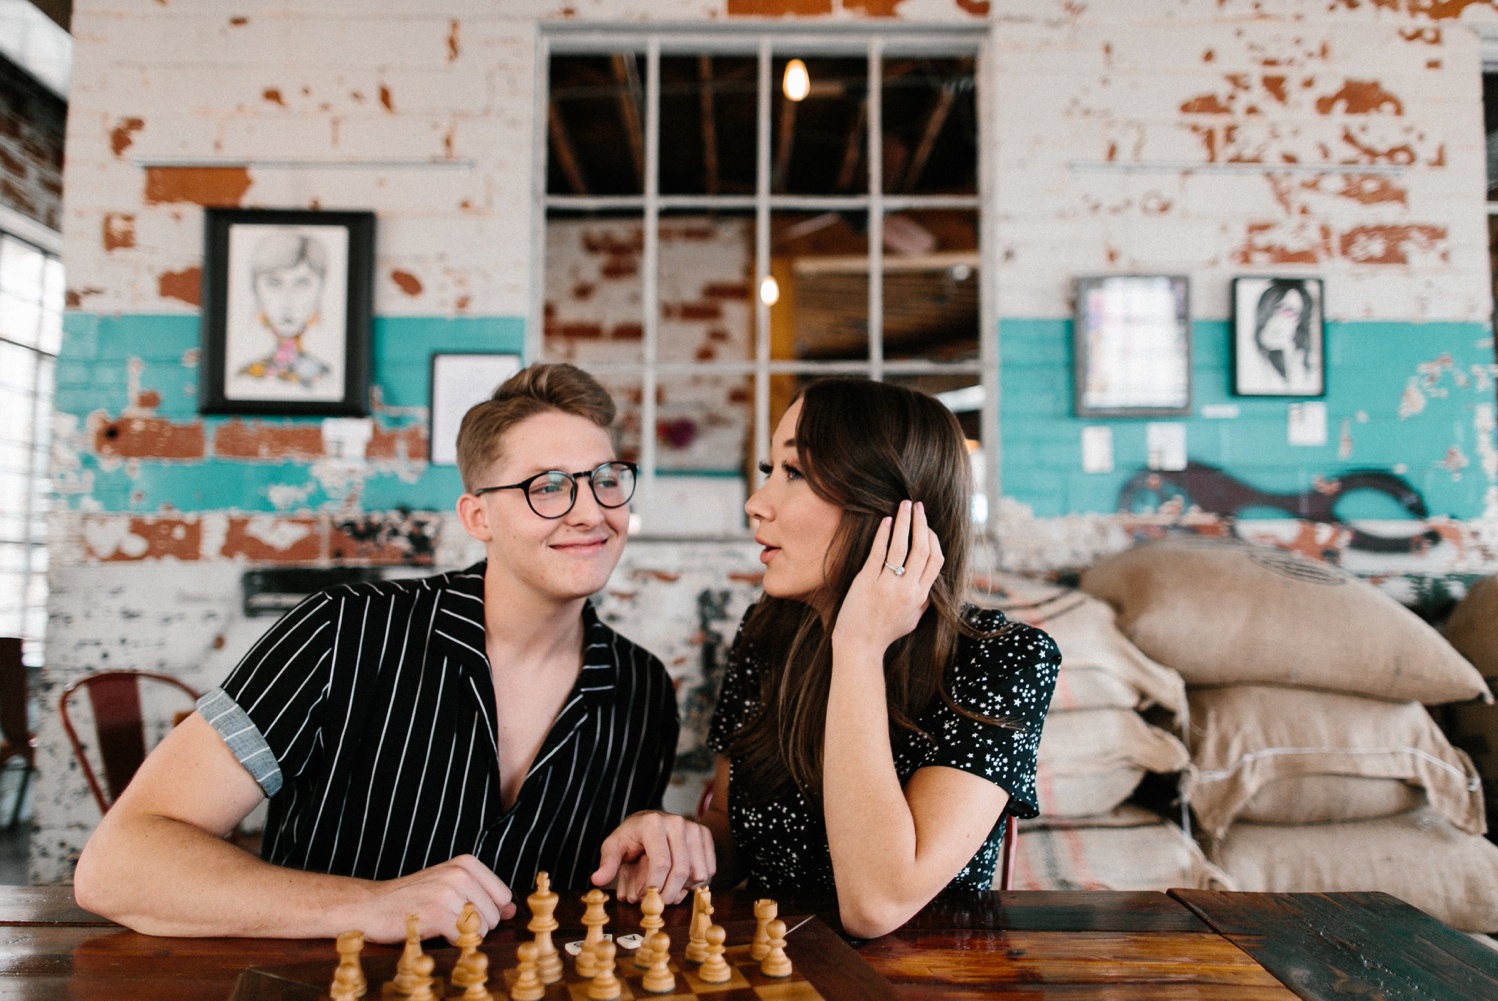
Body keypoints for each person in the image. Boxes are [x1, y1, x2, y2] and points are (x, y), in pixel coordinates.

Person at [74, 363, 714, 941]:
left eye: (606, 480)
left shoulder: (644, 688)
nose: (590, 512)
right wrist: (368, 906)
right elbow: (120, 863)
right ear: (477, 517)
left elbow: (608, 893)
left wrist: (651, 840)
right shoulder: (342, 632)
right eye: (547, 487)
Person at [700, 379, 1060, 939]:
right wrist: (675, 839)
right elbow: (729, 832)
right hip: (775, 972)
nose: (757, 503)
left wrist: (860, 648)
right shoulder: (768, 633)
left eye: (794, 473)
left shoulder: (1002, 660)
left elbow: (876, 904)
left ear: (893, 513)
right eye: (770, 470)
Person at [238, 232, 332, 388]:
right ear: (256, 289)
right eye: (274, 283)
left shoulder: (326, 378)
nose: (288, 302)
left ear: (320, 290)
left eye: (302, 284)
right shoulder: (246, 377)